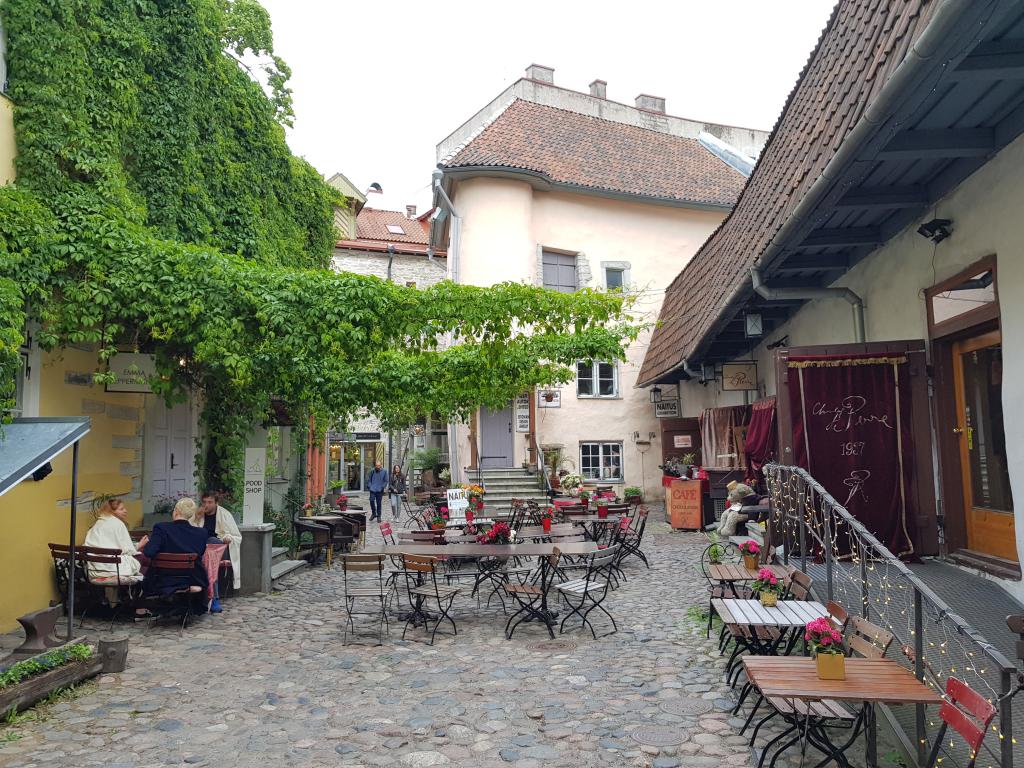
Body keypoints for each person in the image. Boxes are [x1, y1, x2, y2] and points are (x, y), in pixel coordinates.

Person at [141, 498, 209, 614]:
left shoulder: (161, 528)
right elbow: (200, 553)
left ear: (176, 511)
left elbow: (149, 552)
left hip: (162, 578)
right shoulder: (201, 533)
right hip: (192, 578)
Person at [194, 490, 243, 595]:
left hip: (219, 548)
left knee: (211, 541)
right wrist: (196, 519)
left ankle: (212, 594)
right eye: (204, 502)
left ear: (216, 503)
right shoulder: (198, 514)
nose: (206, 505)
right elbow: (190, 533)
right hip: (201, 548)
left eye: (210, 502)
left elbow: (237, 536)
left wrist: (228, 537)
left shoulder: (224, 515)